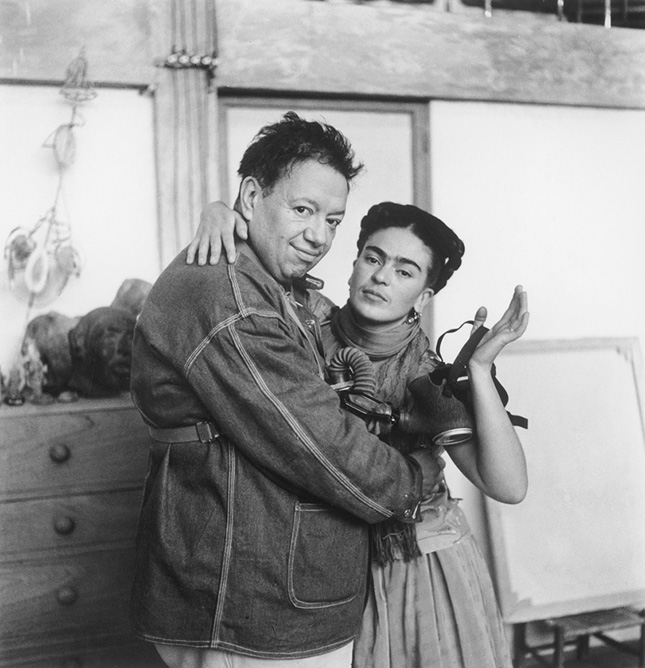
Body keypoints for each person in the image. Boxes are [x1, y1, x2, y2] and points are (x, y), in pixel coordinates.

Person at [129, 113, 445, 668]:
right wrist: (415, 479)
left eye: (333, 220)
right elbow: (321, 445)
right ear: (252, 197)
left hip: (258, 590)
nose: (319, 236)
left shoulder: (263, 280)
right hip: (253, 604)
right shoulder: (235, 301)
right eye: (303, 210)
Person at [188, 200, 529, 668]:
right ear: (352, 266)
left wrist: (481, 368)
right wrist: (218, 214)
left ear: (423, 297)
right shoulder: (303, 323)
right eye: (373, 258)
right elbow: (246, 264)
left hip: (416, 568)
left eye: (405, 271)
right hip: (320, 564)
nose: (381, 276)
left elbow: (509, 486)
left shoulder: (423, 376)